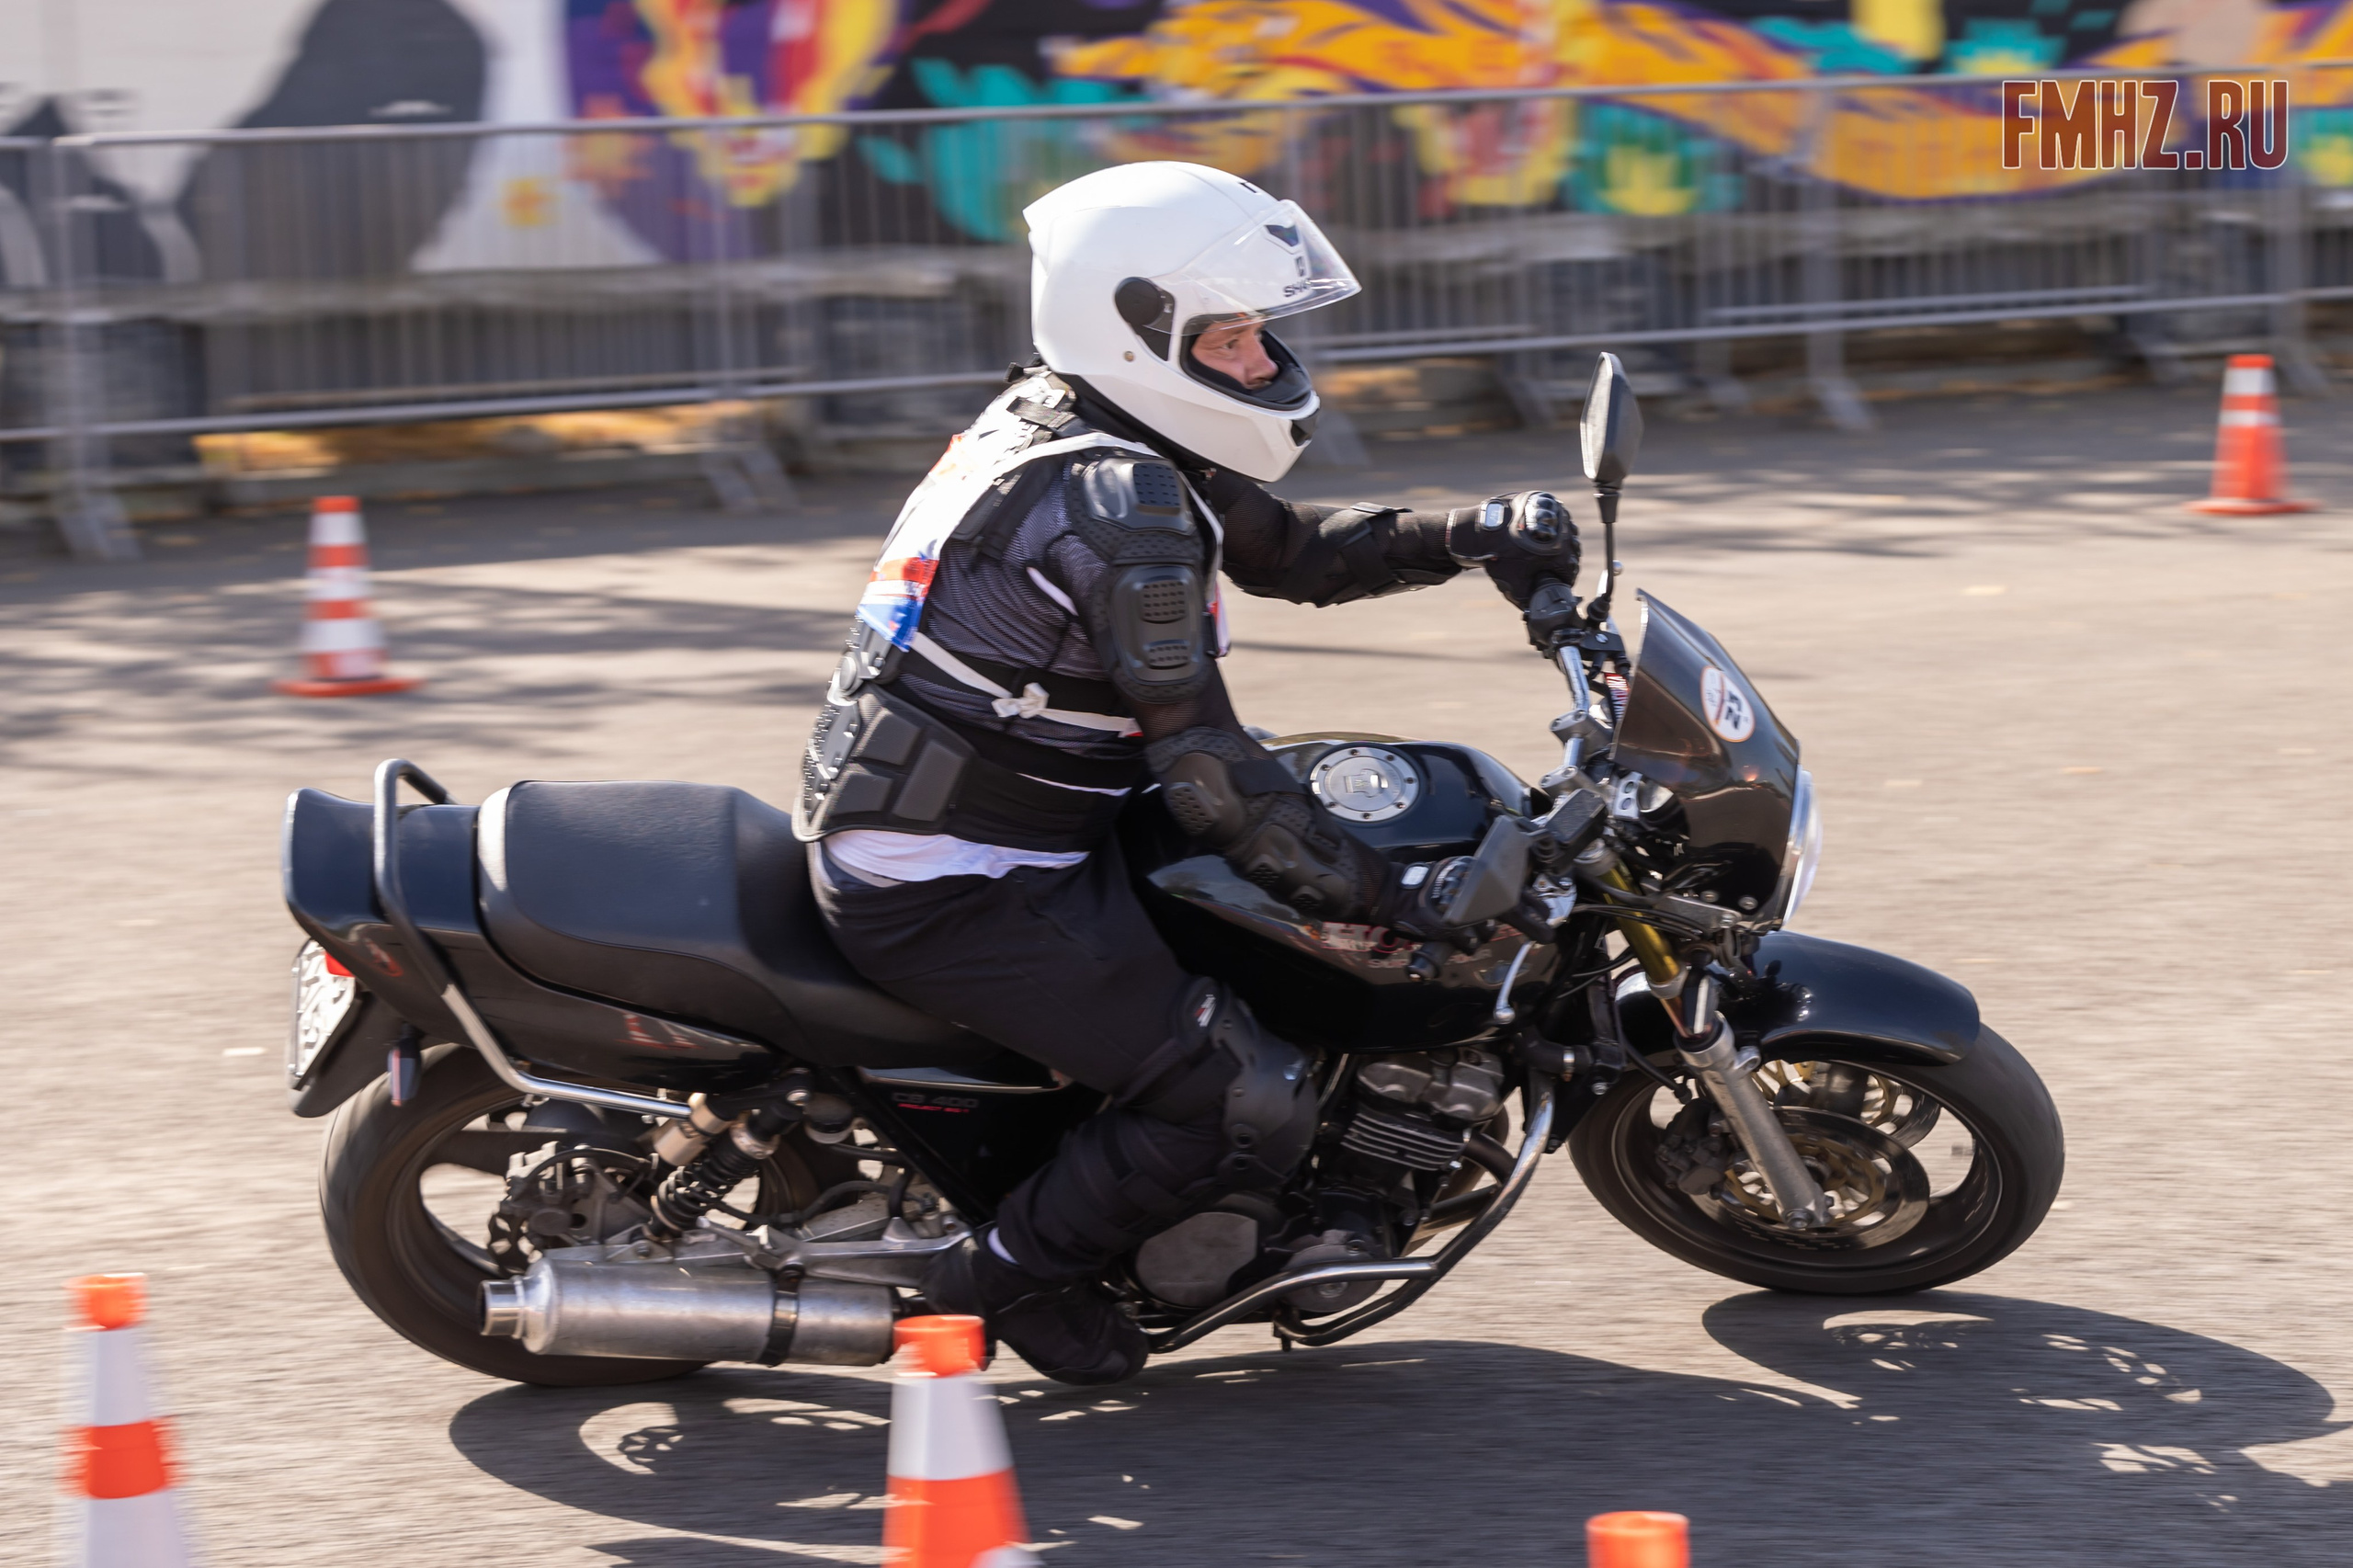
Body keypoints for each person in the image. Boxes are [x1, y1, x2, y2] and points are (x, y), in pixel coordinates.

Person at [796, 162, 1578, 1383]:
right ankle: (995, 1282)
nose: (1263, 362)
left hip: (1018, 812)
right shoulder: (1115, 503)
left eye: (1261, 334)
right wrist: (1395, 904)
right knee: (1237, 1089)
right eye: (1231, 337)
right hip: (958, 872)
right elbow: (1210, 769)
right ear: (1139, 332)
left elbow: (1296, 551)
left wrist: (1469, 532)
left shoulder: (1099, 427)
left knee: (1273, 951)